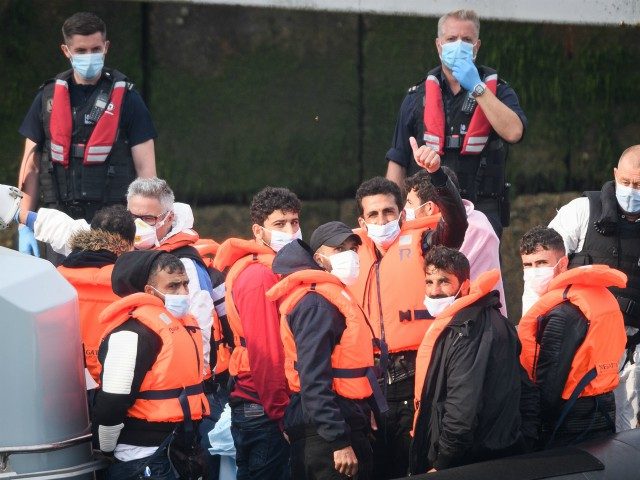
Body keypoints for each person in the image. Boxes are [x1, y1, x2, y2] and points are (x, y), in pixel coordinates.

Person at [351, 141, 467, 478]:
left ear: (401, 214)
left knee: (415, 462)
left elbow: (456, 224)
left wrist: (438, 176)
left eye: (389, 212)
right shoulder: (348, 256)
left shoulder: (425, 243)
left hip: (417, 371)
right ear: (362, 219)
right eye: (373, 214)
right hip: (370, 382)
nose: (382, 219)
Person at [16, 11, 156, 259]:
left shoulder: (129, 99)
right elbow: (31, 168)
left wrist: (147, 225)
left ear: (106, 47)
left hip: (113, 227)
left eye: (95, 49)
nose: (89, 56)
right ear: (66, 51)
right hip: (56, 225)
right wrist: (23, 225)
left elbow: (147, 171)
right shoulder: (46, 98)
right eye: (81, 51)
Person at [385, 9, 526, 237]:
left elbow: (514, 132)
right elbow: (398, 159)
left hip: (482, 210)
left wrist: (477, 87)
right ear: (439, 45)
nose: (459, 45)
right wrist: (391, 213)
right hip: (428, 210)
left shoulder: (498, 90)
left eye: (466, 40)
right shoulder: (415, 96)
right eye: (451, 39)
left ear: (477, 46)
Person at [266, 223, 385, 480]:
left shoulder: (328, 297)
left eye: (352, 248)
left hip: (339, 418)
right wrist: (338, 441)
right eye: (339, 249)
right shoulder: (316, 304)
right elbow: (313, 379)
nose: (350, 255)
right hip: (326, 434)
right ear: (319, 258)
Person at [93, 251, 208, 480]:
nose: (184, 293)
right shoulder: (131, 332)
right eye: (173, 286)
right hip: (139, 457)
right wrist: (103, 449)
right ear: (149, 291)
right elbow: (112, 401)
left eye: (186, 284)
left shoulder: (184, 325)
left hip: (180, 449)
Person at [548, 145, 640, 431]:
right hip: (577, 345)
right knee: (571, 426)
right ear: (614, 174)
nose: (631, 191)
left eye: (639, 185)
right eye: (625, 182)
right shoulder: (580, 211)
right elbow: (542, 269)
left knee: (627, 433)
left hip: (631, 350)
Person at [213, 186, 301, 480]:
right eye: (279, 224)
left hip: (257, 403)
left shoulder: (270, 268)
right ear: (258, 230)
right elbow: (267, 353)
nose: (290, 231)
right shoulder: (260, 275)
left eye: (294, 222)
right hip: (264, 408)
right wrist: (282, 416)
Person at [411, 246, 525, 474]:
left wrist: (442, 462)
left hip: (468, 459)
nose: (434, 291)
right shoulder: (493, 318)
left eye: (444, 282)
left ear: (464, 285)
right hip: (500, 448)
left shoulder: (467, 331)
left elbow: (462, 407)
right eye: (429, 282)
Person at [518, 226, 627, 448]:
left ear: (563, 263)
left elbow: (549, 388)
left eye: (541, 263)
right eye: (527, 265)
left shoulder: (562, 313)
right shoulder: (598, 295)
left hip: (571, 422)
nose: (534, 271)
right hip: (603, 408)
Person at [404, 165, 506, 314]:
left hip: (473, 325)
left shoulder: (474, 229)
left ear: (429, 208)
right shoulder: (475, 220)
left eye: (409, 203)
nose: (404, 210)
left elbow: (444, 282)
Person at [56, 204, 135, 389]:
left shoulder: (57, 277)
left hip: (64, 385)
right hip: (115, 386)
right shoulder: (131, 283)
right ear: (130, 244)